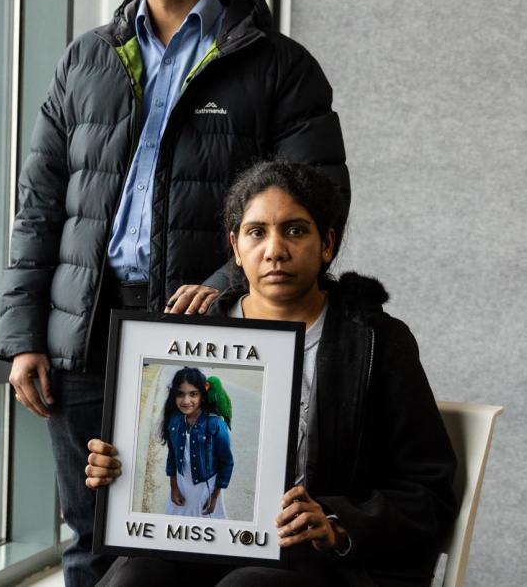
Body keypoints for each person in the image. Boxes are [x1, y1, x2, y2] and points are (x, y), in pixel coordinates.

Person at [0, 0, 349, 586]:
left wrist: (225, 281)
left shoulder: (278, 68)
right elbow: (40, 205)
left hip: (206, 332)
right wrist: (22, 337)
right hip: (87, 332)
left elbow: (318, 197)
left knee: (198, 530)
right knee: (89, 533)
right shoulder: (86, 58)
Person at [85, 161, 456, 587]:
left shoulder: (375, 341)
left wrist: (336, 523)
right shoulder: (190, 334)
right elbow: (153, 457)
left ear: (328, 244)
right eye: (257, 232)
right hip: (201, 539)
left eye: (296, 230)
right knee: (135, 576)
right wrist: (118, 471)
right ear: (236, 248)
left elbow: (427, 490)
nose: (275, 249)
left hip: (321, 560)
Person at [160, 367, 233, 518]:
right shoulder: (174, 419)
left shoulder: (216, 425)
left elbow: (226, 463)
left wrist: (214, 497)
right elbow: (172, 454)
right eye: (180, 394)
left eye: (193, 394)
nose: (186, 401)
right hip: (181, 485)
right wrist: (173, 486)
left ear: (202, 395)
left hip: (207, 489)